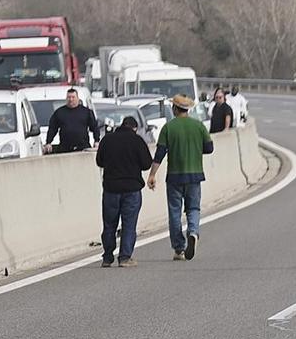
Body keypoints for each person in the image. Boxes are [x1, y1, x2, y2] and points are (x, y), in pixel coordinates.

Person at [147, 93, 213, 260]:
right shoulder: (198, 126)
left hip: (175, 177)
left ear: (175, 108)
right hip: (195, 176)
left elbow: (160, 154)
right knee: (193, 208)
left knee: (175, 212)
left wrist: (152, 174)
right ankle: (193, 232)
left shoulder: (169, 128)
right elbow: (209, 148)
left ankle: (179, 248)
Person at [95, 114, 154, 268]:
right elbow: (147, 164)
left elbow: (99, 161)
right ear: (134, 128)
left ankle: (107, 257)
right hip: (132, 188)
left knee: (109, 224)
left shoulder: (107, 140)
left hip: (111, 189)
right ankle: (125, 257)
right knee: (129, 224)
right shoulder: (137, 141)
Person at [45, 88, 100, 154]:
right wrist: (48, 142)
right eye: (69, 97)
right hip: (65, 148)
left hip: (83, 148)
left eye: (73, 97)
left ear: (77, 98)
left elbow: (94, 127)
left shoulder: (86, 112)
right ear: (66, 98)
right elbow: (52, 129)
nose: (71, 99)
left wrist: (96, 140)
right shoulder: (59, 112)